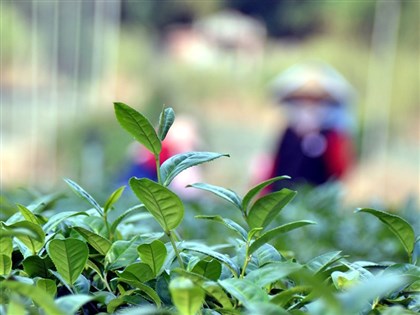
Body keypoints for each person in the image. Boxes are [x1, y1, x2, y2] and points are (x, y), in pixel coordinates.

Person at [267, 62, 355, 190]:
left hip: (316, 199)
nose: (308, 105)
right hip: (282, 196)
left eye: (315, 100)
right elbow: (275, 166)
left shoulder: (332, 135)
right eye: (303, 99)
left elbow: (340, 171)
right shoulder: (289, 132)